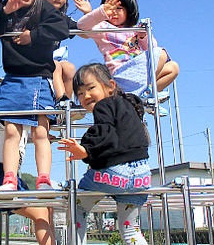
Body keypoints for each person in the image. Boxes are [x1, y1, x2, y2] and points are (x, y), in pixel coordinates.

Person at [0, 0, 68, 191]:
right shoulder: (7, 9)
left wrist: (34, 35)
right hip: (12, 78)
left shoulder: (44, 9)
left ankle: (44, 179)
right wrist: (5, 10)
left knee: (40, 131)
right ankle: (9, 178)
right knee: (11, 130)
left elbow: (61, 28)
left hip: (38, 77)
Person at [57, 63, 151, 245]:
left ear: (110, 87)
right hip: (141, 177)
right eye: (80, 93)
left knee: (76, 206)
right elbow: (116, 140)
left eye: (91, 88)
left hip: (112, 175)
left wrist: (85, 150)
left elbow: (104, 131)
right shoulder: (130, 107)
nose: (86, 96)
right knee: (130, 229)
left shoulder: (104, 105)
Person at [73, 0, 179, 98]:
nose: (114, 12)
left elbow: (152, 50)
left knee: (173, 67)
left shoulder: (134, 30)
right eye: (110, 8)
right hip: (121, 74)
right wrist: (95, 13)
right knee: (160, 53)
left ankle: (146, 93)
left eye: (119, 8)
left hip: (137, 72)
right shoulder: (103, 27)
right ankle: (145, 91)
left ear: (128, 10)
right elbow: (82, 26)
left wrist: (143, 35)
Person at [0, 118, 55, 245]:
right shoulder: (6, 121)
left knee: (48, 206)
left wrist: (43, 137)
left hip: (8, 175)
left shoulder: (21, 128)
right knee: (42, 213)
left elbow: (31, 133)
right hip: (0, 175)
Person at [43, 0, 78, 102]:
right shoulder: (36, 14)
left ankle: (68, 103)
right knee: (56, 65)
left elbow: (82, 30)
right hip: (37, 57)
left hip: (53, 56)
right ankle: (60, 99)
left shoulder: (63, 19)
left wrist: (88, 14)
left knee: (69, 68)